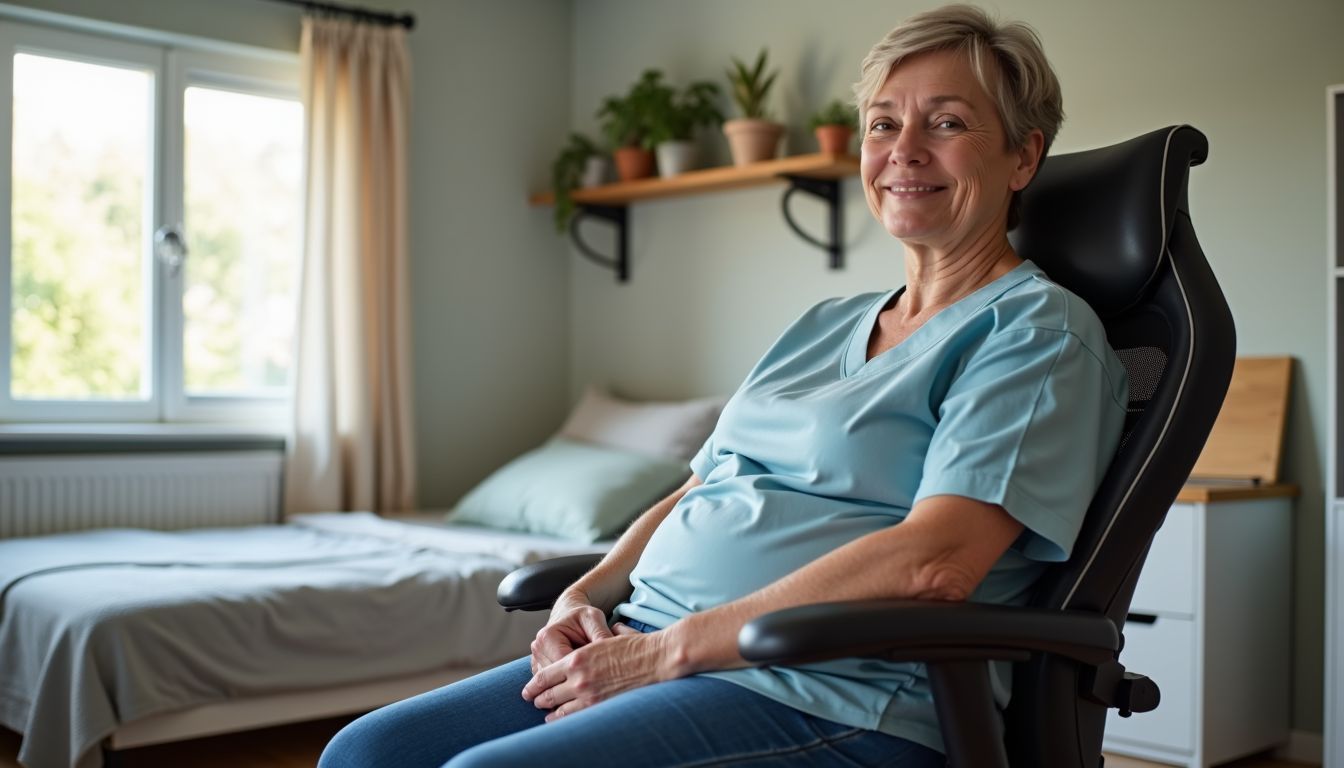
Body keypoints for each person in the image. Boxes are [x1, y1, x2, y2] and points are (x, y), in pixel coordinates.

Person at [319, 5, 1128, 766]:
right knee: (362, 755)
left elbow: (936, 562)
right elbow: (705, 487)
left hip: (832, 693)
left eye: (946, 123)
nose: (903, 150)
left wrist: (667, 652)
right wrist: (585, 593)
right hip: (654, 646)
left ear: (1023, 154)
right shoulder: (822, 323)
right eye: (884, 124)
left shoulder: (1034, 333)